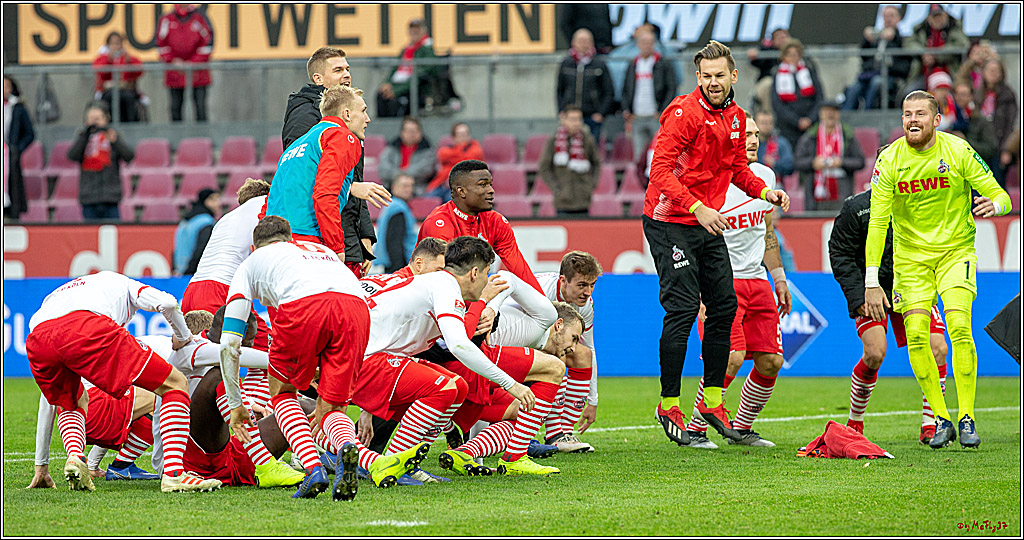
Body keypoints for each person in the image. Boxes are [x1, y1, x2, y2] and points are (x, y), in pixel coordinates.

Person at [218, 216, 428, 499]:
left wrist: (235, 404)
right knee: (331, 405)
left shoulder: (251, 263)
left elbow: (229, 343)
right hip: (356, 309)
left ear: (255, 248)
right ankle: (345, 450)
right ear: (291, 239)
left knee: (283, 393)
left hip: (304, 305)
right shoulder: (320, 251)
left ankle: (313, 467)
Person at [643, 40, 789, 447]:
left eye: (719, 75)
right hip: (669, 219)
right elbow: (659, 172)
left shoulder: (739, 119)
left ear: (733, 76)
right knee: (685, 307)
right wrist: (696, 207)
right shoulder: (682, 113)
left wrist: (765, 193)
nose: (712, 83)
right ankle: (669, 402)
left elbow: (739, 170)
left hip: (704, 220)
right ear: (698, 77)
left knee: (723, 305)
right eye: (706, 76)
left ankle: (711, 400)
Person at [864, 91, 1012, 449]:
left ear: (936, 119)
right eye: (906, 114)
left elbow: (1001, 194)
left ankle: (966, 417)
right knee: (916, 336)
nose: (912, 120)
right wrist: (871, 280)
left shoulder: (958, 151)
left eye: (919, 114)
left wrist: (995, 203)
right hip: (911, 262)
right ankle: (941, 418)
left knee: (959, 327)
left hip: (955, 253)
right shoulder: (889, 162)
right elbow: (878, 223)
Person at [25, 271, 221, 492]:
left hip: (37, 338)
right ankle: (174, 474)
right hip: (87, 327)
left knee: (72, 401)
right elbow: (167, 303)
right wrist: (184, 337)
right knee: (174, 383)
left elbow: (48, 400)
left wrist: (40, 465)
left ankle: (74, 457)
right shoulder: (126, 285)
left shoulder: (62, 295)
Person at [829, 145, 952, 444]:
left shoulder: (923, 203)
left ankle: (932, 423)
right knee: (874, 352)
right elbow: (840, 254)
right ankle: (854, 423)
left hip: (913, 286)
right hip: (872, 290)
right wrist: (859, 297)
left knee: (937, 347)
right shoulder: (856, 208)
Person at [683, 113, 793, 448]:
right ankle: (696, 426)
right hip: (721, 281)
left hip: (757, 280)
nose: (754, 141)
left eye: (757, 134)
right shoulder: (707, 179)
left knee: (771, 360)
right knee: (730, 355)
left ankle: (741, 429)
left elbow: (768, 231)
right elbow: (691, 240)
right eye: (746, 134)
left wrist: (779, 277)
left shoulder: (764, 176)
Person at [138, 309, 305, 488]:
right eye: (248, 340)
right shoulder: (191, 347)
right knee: (221, 375)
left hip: (223, 455)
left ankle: (327, 459)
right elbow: (234, 354)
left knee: (301, 407)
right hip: (182, 460)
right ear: (232, 335)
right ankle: (265, 464)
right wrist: (298, 367)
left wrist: (250, 404)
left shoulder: (209, 354)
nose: (251, 344)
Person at [440, 300, 582, 474]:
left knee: (521, 412)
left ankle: (465, 453)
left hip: (462, 381)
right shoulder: (537, 325)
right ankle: (515, 457)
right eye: (574, 338)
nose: (574, 348)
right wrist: (490, 302)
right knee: (555, 368)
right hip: (465, 363)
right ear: (558, 325)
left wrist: (476, 459)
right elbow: (509, 279)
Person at [265, 85, 391, 260]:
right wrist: (337, 248)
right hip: (307, 239)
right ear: (347, 114)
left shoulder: (296, 145)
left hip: (275, 242)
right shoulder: (341, 136)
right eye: (363, 111)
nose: (367, 119)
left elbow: (271, 198)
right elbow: (325, 194)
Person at [283, 47, 377, 279]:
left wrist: (363, 233)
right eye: (338, 70)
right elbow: (306, 173)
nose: (346, 74)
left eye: (347, 69)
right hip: (320, 229)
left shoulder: (346, 117)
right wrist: (338, 246)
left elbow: (352, 177)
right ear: (318, 78)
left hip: (344, 227)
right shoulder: (305, 114)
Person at [498, 251, 604, 452]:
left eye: (592, 285)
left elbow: (590, 348)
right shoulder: (540, 291)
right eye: (582, 285)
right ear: (563, 281)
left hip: (533, 346)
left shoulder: (586, 306)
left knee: (581, 355)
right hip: (503, 341)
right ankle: (525, 432)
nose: (588, 292)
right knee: (556, 356)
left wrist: (592, 400)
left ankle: (561, 434)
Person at [419, 159, 544, 293]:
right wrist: (482, 306)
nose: (491, 190)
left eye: (490, 184)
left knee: (507, 281)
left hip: (472, 295)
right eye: (483, 185)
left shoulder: (496, 221)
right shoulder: (439, 224)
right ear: (461, 192)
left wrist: (544, 304)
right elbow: (443, 282)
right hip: (433, 299)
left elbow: (520, 270)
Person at [183, 178, 273, 358]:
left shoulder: (225, 219)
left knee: (200, 362)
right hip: (220, 290)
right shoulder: (265, 203)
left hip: (192, 290)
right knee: (271, 348)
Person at [31, 383, 159, 487]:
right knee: (163, 397)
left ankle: (77, 455)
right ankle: (124, 465)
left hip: (73, 425)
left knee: (68, 401)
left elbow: (46, 409)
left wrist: (41, 467)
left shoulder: (51, 359)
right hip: (99, 408)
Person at [793, 100, 865, 211]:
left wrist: (842, 162)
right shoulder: (810, 136)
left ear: (839, 114)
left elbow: (860, 161)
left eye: (834, 111)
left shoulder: (847, 135)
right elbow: (797, 162)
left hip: (842, 191)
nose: (830, 114)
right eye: (827, 111)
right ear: (820, 114)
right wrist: (813, 163)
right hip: (815, 194)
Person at [67, 103, 135, 221]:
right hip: (89, 197)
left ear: (106, 119)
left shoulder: (113, 136)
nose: (95, 123)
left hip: (110, 197)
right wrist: (85, 136)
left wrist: (115, 141)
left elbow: (129, 156)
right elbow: (72, 156)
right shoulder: (83, 138)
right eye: (91, 119)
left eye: (98, 119)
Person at [622, 29, 678, 160]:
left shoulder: (662, 63)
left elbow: (671, 88)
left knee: (660, 154)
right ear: (638, 44)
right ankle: (642, 181)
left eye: (649, 43)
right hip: (637, 116)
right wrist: (627, 109)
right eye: (643, 42)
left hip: (656, 116)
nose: (647, 46)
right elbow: (626, 88)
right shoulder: (633, 64)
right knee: (638, 155)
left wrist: (663, 110)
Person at [844, 6, 911, 111]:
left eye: (892, 16)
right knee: (854, 88)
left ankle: (868, 115)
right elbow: (863, 56)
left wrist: (894, 37)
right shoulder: (876, 38)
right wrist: (866, 40)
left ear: (899, 18)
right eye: (885, 16)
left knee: (876, 83)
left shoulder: (904, 38)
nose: (888, 19)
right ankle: (845, 118)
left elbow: (906, 59)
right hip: (870, 74)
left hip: (892, 76)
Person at [538, 106, 602, 217]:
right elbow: (544, 167)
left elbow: (596, 164)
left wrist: (591, 185)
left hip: (583, 199)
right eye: (572, 119)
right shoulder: (553, 141)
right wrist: (555, 188)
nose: (576, 123)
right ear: (564, 120)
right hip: (563, 200)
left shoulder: (587, 140)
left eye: (579, 119)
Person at [156, 4, 214, 122]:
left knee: (200, 107)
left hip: (198, 72)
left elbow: (208, 43)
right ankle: (177, 138)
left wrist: (192, 63)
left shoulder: (200, 18)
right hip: (175, 72)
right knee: (175, 108)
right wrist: (173, 61)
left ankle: (202, 138)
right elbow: (160, 44)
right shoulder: (166, 20)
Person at [901, 3, 969, 100]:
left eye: (940, 16)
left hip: (949, 71)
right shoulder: (921, 29)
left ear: (945, 15)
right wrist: (924, 53)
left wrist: (936, 55)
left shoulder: (954, 28)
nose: (938, 19)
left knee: (959, 93)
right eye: (934, 17)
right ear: (928, 18)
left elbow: (963, 44)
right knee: (909, 93)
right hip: (924, 73)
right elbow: (909, 44)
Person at [556, 29, 615, 140]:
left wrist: (601, 113)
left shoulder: (599, 64)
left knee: (592, 149)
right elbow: (560, 89)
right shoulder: (566, 63)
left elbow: (608, 91)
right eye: (580, 41)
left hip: (592, 115)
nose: (583, 44)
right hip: (570, 114)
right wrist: (561, 110)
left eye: (586, 41)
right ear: (573, 42)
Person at [376, 19, 439, 118]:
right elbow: (395, 68)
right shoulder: (406, 49)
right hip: (399, 85)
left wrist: (396, 91)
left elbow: (421, 74)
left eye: (417, 30)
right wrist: (387, 83)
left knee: (395, 101)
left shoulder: (427, 50)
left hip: (416, 89)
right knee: (381, 94)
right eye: (412, 30)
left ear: (423, 31)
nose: (414, 33)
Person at [770, 39, 823, 149]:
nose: (793, 58)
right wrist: (796, 121)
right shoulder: (777, 74)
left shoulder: (809, 70)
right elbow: (777, 103)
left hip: (811, 123)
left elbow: (819, 97)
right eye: (789, 55)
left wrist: (810, 119)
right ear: (783, 56)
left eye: (796, 54)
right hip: (788, 126)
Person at [974, 59, 1018, 185]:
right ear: (983, 72)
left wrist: (1007, 149)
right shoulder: (977, 93)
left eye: (996, 70)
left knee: (998, 184)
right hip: (982, 147)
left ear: (1002, 74)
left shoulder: (1007, 94)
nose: (993, 73)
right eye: (990, 70)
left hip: (999, 146)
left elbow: (1010, 124)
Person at [92, 32, 144, 123]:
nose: (115, 46)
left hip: (126, 90)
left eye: (118, 43)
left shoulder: (127, 58)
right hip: (109, 91)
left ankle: (131, 124)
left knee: (128, 98)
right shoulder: (103, 58)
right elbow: (99, 72)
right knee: (111, 98)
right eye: (112, 43)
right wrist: (109, 59)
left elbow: (139, 71)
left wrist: (129, 61)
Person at [426, 122, 484, 200]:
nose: (463, 137)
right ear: (454, 138)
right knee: (428, 200)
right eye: (460, 135)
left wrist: (456, 153)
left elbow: (469, 160)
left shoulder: (475, 148)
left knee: (452, 200)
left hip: (464, 187)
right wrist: (460, 151)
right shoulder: (448, 149)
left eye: (465, 134)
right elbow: (442, 155)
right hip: (443, 184)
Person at [4, 75, 34, 220]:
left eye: (6, 86)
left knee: (12, 187)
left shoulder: (18, 107)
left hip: (9, 156)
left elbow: (29, 133)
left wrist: (17, 149)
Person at [949, 82, 999, 171]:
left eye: (963, 94)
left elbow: (991, 148)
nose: (959, 98)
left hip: (977, 168)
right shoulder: (949, 117)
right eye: (956, 94)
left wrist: (966, 142)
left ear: (971, 96)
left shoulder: (981, 120)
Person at [378, 116, 436, 190]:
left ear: (420, 133)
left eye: (414, 131)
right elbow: (383, 168)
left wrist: (402, 178)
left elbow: (426, 170)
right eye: (408, 131)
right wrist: (399, 178)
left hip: (417, 188)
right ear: (402, 132)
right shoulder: (391, 147)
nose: (411, 134)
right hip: (391, 186)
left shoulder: (428, 149)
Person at [376, 174, 417, 274]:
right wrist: (399, 270)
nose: (408, 189)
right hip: (398, 265)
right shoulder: (398, 208)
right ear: (394, 187)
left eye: (411, 186)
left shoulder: (390, 205)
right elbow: (394, 241)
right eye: (404, 186)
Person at [174, 189, 219, 275]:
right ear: (205, 201)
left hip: (179, 272)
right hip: (193, 274)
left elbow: (176, 249)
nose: (217, 203)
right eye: (213, 199)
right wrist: (189, 272)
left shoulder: (184, 221)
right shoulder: (206, 222)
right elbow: (201, 250)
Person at [747, 27, 790, 116]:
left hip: (789, 86)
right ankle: (768, 118)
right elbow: (756, 62)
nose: (782, 40)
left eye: (784, 37)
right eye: (778, 37)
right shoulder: (767, 51)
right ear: (773, 41)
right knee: (768, 84)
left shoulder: (795, 51)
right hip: (769, 86)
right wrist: (756, 54)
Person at [754, 110, 794, 179]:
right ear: (755, 124)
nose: (767, 126)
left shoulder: (781, 143)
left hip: (776, 184)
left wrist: (775, 164)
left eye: (770, 123)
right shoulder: (749, 143)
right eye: (763, 123)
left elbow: (790, 166)